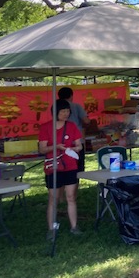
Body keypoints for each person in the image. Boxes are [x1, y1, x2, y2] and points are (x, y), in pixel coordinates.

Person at [38, 99, 83, 239]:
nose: (65, 114)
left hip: (70, 165)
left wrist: (75, 148)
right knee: (53, 198)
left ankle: (74, 226)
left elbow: (79, 145)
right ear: (55, 112)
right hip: (53, 167)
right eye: (63, 111)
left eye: (67, 111)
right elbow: (42, 148)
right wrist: (56, 147)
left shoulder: (72, 126)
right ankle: (51, 228)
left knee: (71, 197)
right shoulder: (46, 127)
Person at [57, 87, 89, 172]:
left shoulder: (56, 107)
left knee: (62, 166)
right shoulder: (76, 106)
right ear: (71, 95)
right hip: (76, 140)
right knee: (77, 167)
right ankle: (75, 184)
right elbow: (86, 121)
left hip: (60, 141)